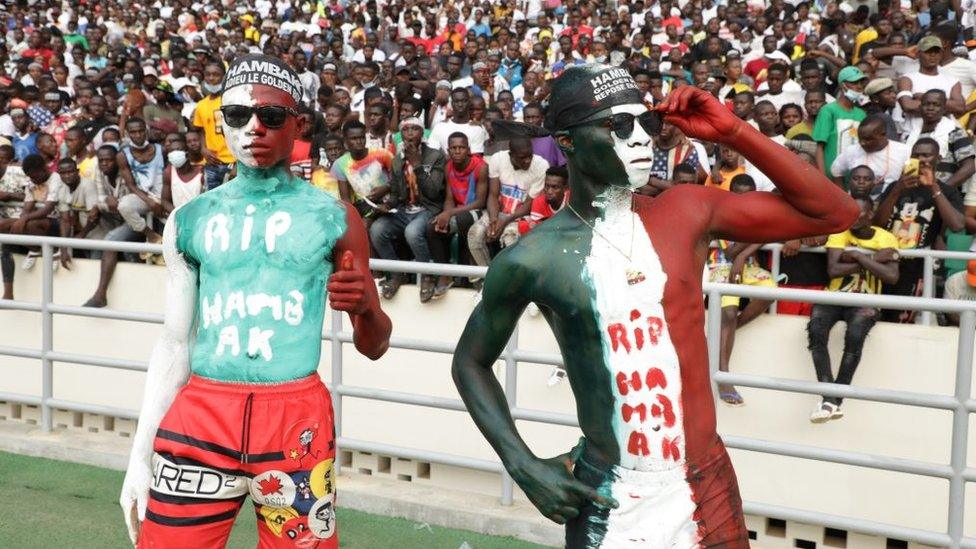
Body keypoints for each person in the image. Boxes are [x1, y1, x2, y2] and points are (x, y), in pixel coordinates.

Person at [452, 66, 857, 547]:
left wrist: (732, 130)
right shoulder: (533, 256)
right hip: (609, 496)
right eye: (617, 126)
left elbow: (836, 213)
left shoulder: (685, 212)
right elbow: (470, 362)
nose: (641, 138)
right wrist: (523, 464)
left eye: (645, 122)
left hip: (706, 483)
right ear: (569, 142)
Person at [119, 54, 392, 549]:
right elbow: (174, 343)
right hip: (202, 410)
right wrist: (139, 456)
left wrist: (367, 308)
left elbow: (374, 346)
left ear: (299, 126)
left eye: (270, 116)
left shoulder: (336, 217)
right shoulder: (189, 219)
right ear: (221, 123)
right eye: (239, 116)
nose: (254, 129)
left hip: (295, 418)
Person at [808, 197, 900, 423]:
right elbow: (834, 269)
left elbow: (891, 276)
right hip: (835, 296)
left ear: (870, 215)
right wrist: (873, 259)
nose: (850, 218)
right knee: (816, 329)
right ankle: (831, 396)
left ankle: (833, 401)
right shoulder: (840, 231)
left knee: (855, 335)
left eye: (856, 214)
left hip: (866, 301)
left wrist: (858, 255)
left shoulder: (886, 237)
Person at [874, 138, 966, 322]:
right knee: (877, 317)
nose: (921, 159)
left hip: (917, 268)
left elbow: (957, 225)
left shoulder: (947, 191)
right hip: (885, 262)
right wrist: (897, 190)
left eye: (927, 154)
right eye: (916, 155)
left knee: (902, 320)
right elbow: (877, 224)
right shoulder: (896, 186)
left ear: (938, 159)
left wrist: (933, 188)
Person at [709, 174, 778, 406]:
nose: (743, 201)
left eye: (748, 196)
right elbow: (729, 252)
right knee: (728, 312)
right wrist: (751, 243)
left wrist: (744, 255)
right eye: (739, 195)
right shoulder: (719, 213)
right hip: (721, 267)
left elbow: (771, 231)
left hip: (747, 267)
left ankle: (726, 333)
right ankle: (724, 374)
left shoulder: (758, 213)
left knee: (771, 291)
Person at [370, 117, 447, 302]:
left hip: (429, 208)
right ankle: (397, 274)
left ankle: (427, 276)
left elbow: (434, 192)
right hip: (405, 210)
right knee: (377, 230)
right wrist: (387, 206)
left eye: (415, 129)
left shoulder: (435, 156)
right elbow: (397, 195)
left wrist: (417, 163)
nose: (410, 133)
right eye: (406, 130)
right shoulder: (397, 160)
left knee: (412, 232)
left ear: (422, 133)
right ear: (401, 134)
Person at [467, 136, 548, 268]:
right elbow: (493, 195)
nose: (528, 161)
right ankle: (486, 279)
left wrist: (504, 221)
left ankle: (509, 282)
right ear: (511, 155)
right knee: (474, 235)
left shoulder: (541, 165)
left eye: (530, 156)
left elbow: (530, 204)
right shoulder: (498, 159)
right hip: (499, 212)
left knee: (510, 238)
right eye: (523, 157)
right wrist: (494, 220)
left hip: (522, 216)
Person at [427, 132, 488, 298]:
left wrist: (449, 213)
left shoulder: (480, 167)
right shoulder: (448, 167)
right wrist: (445, 215)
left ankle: (468, 279)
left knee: (462, 221)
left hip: (478, 212)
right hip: (457, 211)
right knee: (432, 227)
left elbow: (480, 202)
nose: (457, 151)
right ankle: (444, 276)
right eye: (453, 148)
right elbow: (449, 198)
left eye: (461, 147)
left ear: (468, 149)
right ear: (448, 150)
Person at [830, 114, 911, 196]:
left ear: (883, 135)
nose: (862, 143)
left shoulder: (904, 151)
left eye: (868, 139)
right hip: (857, 205)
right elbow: (836, 171)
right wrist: (843, 196)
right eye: (860, 138)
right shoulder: (852, 151)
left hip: (888, 204)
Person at [332, 120, 394, 223]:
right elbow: (346, 200)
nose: (359, 142)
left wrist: (386, 188)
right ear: (345, 141)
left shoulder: (381, 154)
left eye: (361, 137)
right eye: (354, 138)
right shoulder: (340, 164)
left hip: (388, 203)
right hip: (365, 208)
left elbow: (400, 179)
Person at [814, 66, 868, 174]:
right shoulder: (828, 110)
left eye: (861, 83)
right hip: (831, 176)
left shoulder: (862, 114)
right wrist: (822, 177)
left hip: (855, 177)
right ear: (842, 85)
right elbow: (819, 147)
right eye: (854, 83)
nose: (859, 86)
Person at [192, 61, 236, 190]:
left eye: (216, 75)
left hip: (232, 162)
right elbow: (201, 131)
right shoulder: (201, 105)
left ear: (224, 77)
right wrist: (203, 149)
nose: (211, 78)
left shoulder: (232, 100)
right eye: (208, 74)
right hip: (211, 162)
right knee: (211, 202)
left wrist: (239, 163)